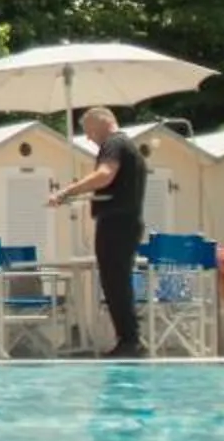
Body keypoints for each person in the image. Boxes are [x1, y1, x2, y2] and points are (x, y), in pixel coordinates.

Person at [48, 106, 150, 359]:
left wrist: (68, 191)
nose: (89, 138)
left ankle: (130, 341)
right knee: (116, 280)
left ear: (102, 123)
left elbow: (104, 175)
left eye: (89, 131)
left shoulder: (114, 143)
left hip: (117, 223)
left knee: (115, 281)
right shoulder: (129, 146)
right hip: (126, 222)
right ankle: (129, 339)